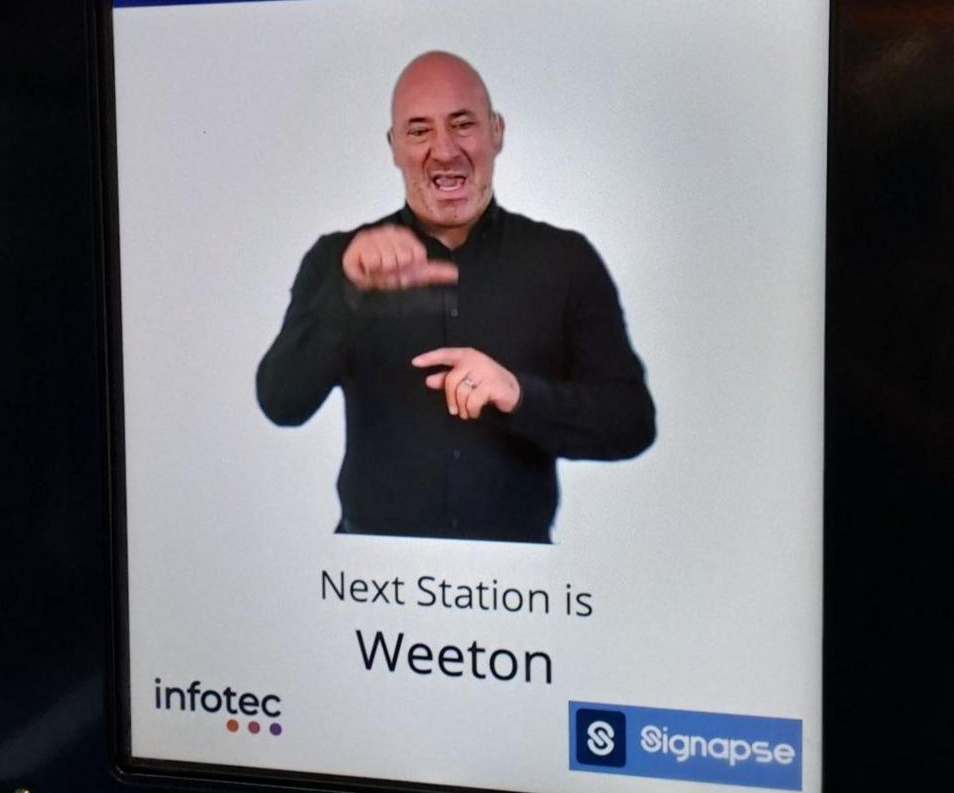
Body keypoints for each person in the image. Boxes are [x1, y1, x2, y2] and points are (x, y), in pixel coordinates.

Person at [255, 51, 654, 541]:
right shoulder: (338, 259)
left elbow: (631, 422)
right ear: (394, 146)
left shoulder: (566, 260)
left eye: (462, 124)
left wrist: (519, 395)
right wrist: (346, 292)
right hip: (371, 579)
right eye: (419, 130)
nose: (444, 151)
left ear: (497, 132)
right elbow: (280, 402)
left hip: (518, 584)